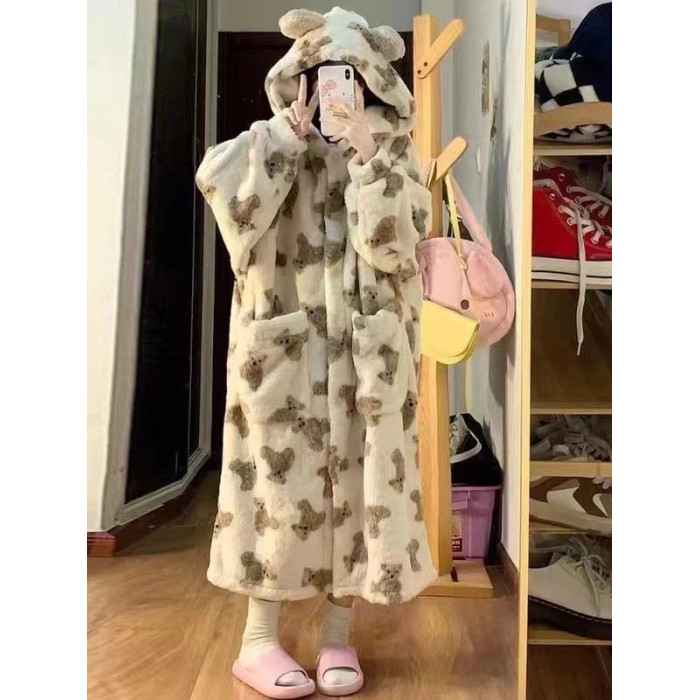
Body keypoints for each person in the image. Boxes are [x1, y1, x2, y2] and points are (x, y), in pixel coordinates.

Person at [196, 7, 435, 698]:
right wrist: (283, 137)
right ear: (298, 78)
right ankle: (257, 641)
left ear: (375, 84)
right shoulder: (264, 143)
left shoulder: (391, 156)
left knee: (364, 489)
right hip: (285, 355)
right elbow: (229, 206)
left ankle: (337, 635)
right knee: (273, 488)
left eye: (352, 77)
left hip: (367, 358)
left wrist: (368, 159)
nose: (336, 89)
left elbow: (398, 251)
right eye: (323, 75)